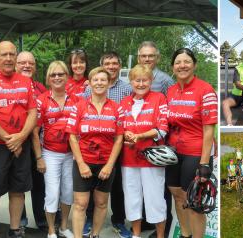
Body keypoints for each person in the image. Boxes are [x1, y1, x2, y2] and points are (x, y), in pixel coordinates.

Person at [0, 41, 37, 238]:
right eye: (4, 54)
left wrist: (21, 137)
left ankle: (14, 230)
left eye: (11, 54)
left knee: (18, 190)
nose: (8, 58)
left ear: (16, 58)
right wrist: (10, 140)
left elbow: (33, 112)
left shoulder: (25, 82)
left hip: (21, 145)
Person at [66, 67, 124, 238]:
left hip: (106, 164)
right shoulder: (79, 106)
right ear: (89, 83)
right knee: (80, 204)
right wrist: (81, 163)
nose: (99, 83)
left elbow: (119, 139)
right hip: (83, 163)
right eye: (95, 80)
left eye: (103, 80)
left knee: (100, 203)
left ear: (108, 83)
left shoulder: (116, 108)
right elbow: (72, 137)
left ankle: (95, 235)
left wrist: (109, 165)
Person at [166, 48, 217, 238]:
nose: (182, 65)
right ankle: (185, 234)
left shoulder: (205, 89)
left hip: (196, 153)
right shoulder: (170, 91)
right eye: (178, 62)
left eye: (187, 61)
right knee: (177, 195)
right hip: (174, 152)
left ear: (195, 65)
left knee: (195, 203)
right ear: (172, 67)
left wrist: (204, 163)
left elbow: (209, 130)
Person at [83, 52, 132, 238]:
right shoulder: (89, 89)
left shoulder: (127, 89)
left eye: (114, 63)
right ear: (102, 65)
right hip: (93, 147)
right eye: (107, 63)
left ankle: (118, 221)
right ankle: (90, 219)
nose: (111, 66)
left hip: (117, 146)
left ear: (120, 66)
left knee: (117, 186)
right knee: (90, 186)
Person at [119, 64, 168, 238]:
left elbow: (162, 128)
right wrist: (126, 134)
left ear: (151, 81)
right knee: (132, 199)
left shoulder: (159, 98)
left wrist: (139, 136)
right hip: (129, 159)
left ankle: (161, 236)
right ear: (131, 82)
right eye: (136, 80)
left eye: (144, 80)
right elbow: (119, 128)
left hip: (151, 159)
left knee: (155, 200)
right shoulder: (124, 102)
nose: (140, 84)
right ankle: (136, 235)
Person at [33, 61, 78, 238]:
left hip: (71, 154)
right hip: (50, 153)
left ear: (67, 77)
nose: (57, 77)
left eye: (61, 74)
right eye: (53, 75)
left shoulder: (76, 100)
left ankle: (63, 226)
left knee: (68, 192)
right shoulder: (41, 100)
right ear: (48, 78)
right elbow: (34, 133)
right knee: (52, 193)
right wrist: (39, 158)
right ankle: (51, 230)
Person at [15, 51, 48, 231]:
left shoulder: (41, 88)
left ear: (35, 67)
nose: (27, 66)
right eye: (22, 63)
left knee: (38, 184)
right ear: (16, 65)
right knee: (18, 185)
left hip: (38, 142)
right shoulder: (9, 86)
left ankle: (42, 221)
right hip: (16, 143)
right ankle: (20, 221)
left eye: (30, 63)